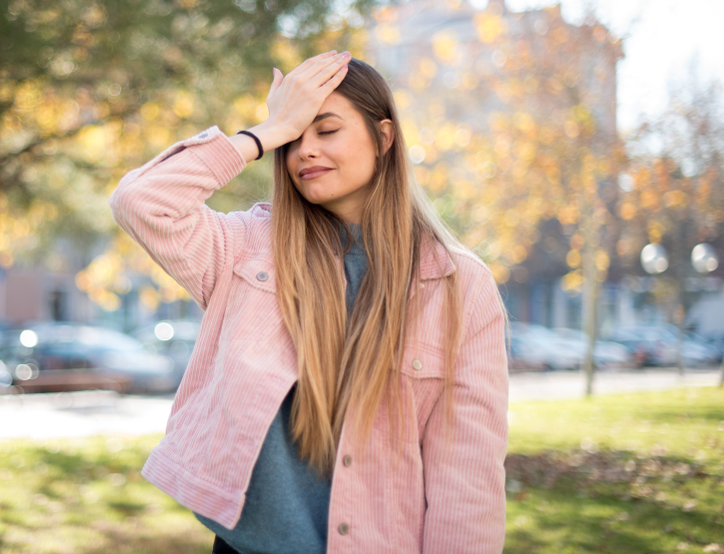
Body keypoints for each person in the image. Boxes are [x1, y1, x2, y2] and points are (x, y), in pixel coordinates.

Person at [110, 51, 509, 554]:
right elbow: (142, 202)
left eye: (325, 130)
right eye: (293, 137)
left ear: (384, 138)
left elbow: (467, 483)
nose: (304, 150)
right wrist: (265, 131)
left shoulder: (459, 286)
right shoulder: (247, 248)